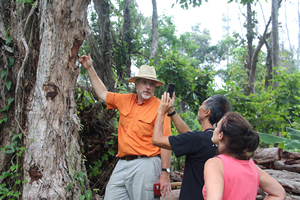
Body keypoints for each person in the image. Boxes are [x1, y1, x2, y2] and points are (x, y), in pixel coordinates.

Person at [79, 54, 172, 199]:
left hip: (146, 164)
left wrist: (165, 172)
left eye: (152, 84)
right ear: (136, 84)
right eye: (144, 82)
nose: (148, 87)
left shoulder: (160, 107)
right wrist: (90, 68)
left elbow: (165, 141)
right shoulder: (126, 100)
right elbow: (103, 93)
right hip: (122, 163)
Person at [152, 92, 232, 200]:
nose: (200, 107)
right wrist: (171, 111)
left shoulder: (197, 140)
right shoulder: (222, 142)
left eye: (202, 105)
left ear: (207, 112)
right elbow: (188, 134)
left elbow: (156, 140)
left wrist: (161, 112)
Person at [203, 112, 286, 200]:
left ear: (221, 135)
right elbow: (279, 193)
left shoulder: (215, 164)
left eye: (216, 126)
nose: (214, 128)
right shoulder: (251, 165)